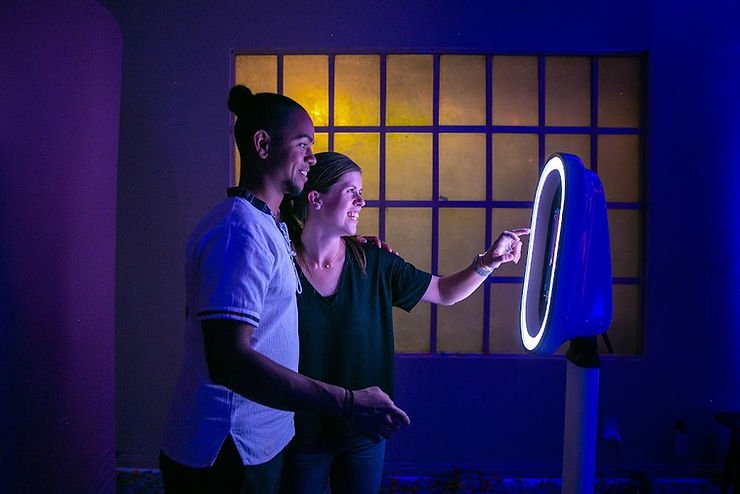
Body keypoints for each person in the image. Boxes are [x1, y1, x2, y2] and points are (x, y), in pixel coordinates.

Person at [159, 87, 410, 494]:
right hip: (227, 451)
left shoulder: (268, 226)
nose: (313, 158)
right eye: (304, 145)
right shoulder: (239, 233)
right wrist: (348, 402)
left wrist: (349, 244)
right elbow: (229, 361)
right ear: (262, 145)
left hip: (257, 443)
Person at [278, 151, 529, 493]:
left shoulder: (375, 262)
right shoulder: (281, 264)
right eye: (351, 191)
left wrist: (488, 262)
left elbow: (444, 291)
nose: (362, 201)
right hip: (299, 428)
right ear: (315, 198)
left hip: (364, 428)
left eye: (361, 192)